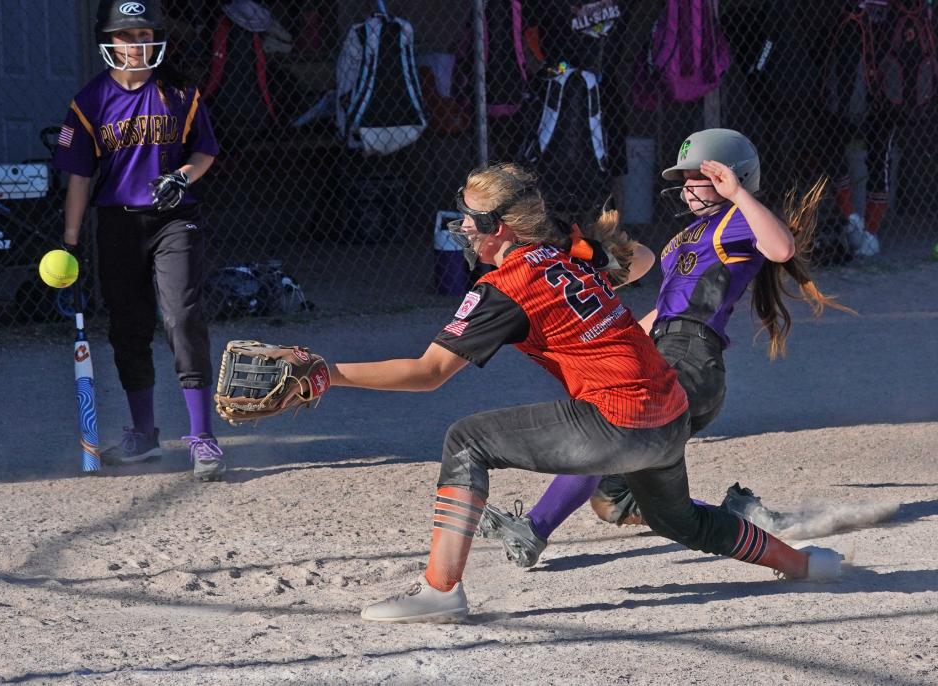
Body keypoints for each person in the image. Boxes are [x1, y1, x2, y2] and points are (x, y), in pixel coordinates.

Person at [304, 161, 841, 623]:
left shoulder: (505, 285)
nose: (464, 227)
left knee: (464, 440)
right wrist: (587, 252)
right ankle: (804, 564)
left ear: (505, 228)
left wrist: (327, 372)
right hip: (669, 414)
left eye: (474, 219)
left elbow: (428, 373)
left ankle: (440, 592)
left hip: (622, 417)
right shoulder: (564, 259)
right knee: (680, 520)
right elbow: (642, 263)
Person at [478, 129, 852, 568]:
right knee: (613, 499)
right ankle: (741, 517)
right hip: (669, 349)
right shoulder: (686, 239)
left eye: (700, 176)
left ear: (733, 178)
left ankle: (533, 528)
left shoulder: (739, 219)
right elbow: (665, 307)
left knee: (604, 434)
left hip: (691, 359)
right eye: (686, 178)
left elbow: (781, 247)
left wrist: (738, 194)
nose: (689, 186)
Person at [52, 0, 225, 481]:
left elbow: (204, 151)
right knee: (129, 325)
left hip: (174, 219)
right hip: (118, 224)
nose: (138, 44)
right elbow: (80, 179)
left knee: (182, 315)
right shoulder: (89, 102)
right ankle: (144, 433)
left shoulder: (179, 93)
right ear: (109, 43)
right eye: (127, 36)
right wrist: (69, 244)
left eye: (145, 34)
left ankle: (202, 437)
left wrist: (182, 179)